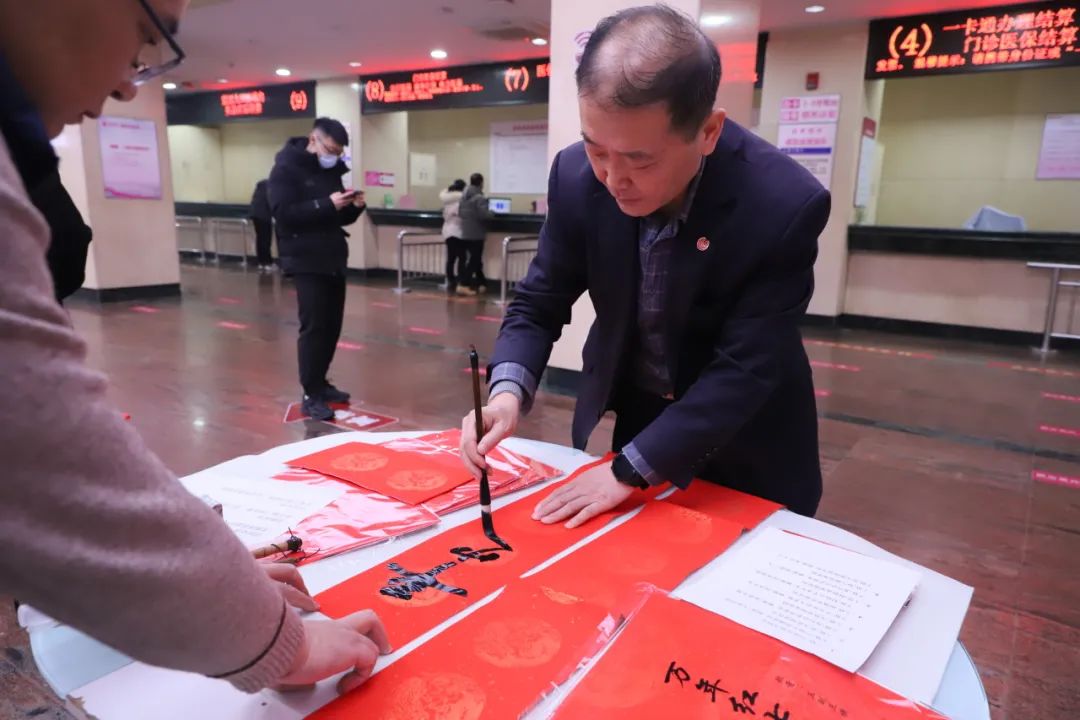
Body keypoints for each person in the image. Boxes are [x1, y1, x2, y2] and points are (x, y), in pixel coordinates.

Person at [0, 0, 389, 696]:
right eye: (148, 36)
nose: (127, 83)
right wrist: (272, 640)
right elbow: (41, 458)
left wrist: (216, 586)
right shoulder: (290, 172)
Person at [461, 5, 831, 527]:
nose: (613, 179)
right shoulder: (573, 174)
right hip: (643, 419)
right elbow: (539, 300)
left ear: (708, 132)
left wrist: (627, 470)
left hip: (749, 441)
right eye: (597, 151)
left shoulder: (783, 204)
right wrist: (505, 395)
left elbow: (746, 368)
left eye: (640, 160)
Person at [268, 117, 366, 421]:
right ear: (314, 140)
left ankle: (322, 383)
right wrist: (326, 204)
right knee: (313, 327)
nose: (334, 156)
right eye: (331, 149)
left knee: (332, 325)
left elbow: (334, 217)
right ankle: (310, 393)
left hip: (333, 257)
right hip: (305, 259)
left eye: (339, 152)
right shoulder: (285, 168)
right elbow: (283, 214)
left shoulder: (331, 171)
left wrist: (353, 207)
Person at [458, 172, 491, 294]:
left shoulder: (463, 197)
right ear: (481, 183)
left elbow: (460, 214)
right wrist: (492, 213)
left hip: (465, 233)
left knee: (475, 259)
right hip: (477, 233)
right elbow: (484, 215)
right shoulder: (480, 198)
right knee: (474, 259)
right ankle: (463, 284)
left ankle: (482, 283)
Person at [440, 178, 467, 295]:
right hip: (457, 232)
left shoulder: (447, 201)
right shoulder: (459, 202)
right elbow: (463, 216)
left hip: (447, 231)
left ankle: (451, 280)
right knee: (462, 257)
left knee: (451, 258)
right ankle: (460, 280)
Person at [250, 178, 274, 272]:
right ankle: (267, 263)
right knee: (266, 239)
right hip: (264, 216)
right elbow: (271, 201)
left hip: (256, 215)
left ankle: (261, 262)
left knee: (260, 239)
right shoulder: (271, 186)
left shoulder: (260, 186)